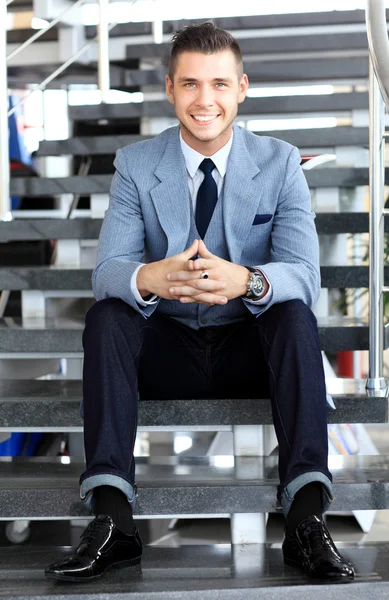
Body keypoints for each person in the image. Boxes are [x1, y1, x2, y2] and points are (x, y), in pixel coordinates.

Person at [45, 21, 354, 584]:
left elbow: (304, 275)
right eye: (190, 84)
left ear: (242, 88)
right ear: (169, 89)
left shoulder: (280, 162)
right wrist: (150, 277)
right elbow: (107, 272)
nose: (204, 100)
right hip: (169, 351)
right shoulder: (137, 165)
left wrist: (249, 282)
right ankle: (114, 520)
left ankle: (306, 520)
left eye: (218, 84)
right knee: (108, 316)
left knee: (293, 314)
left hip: (248, 350)